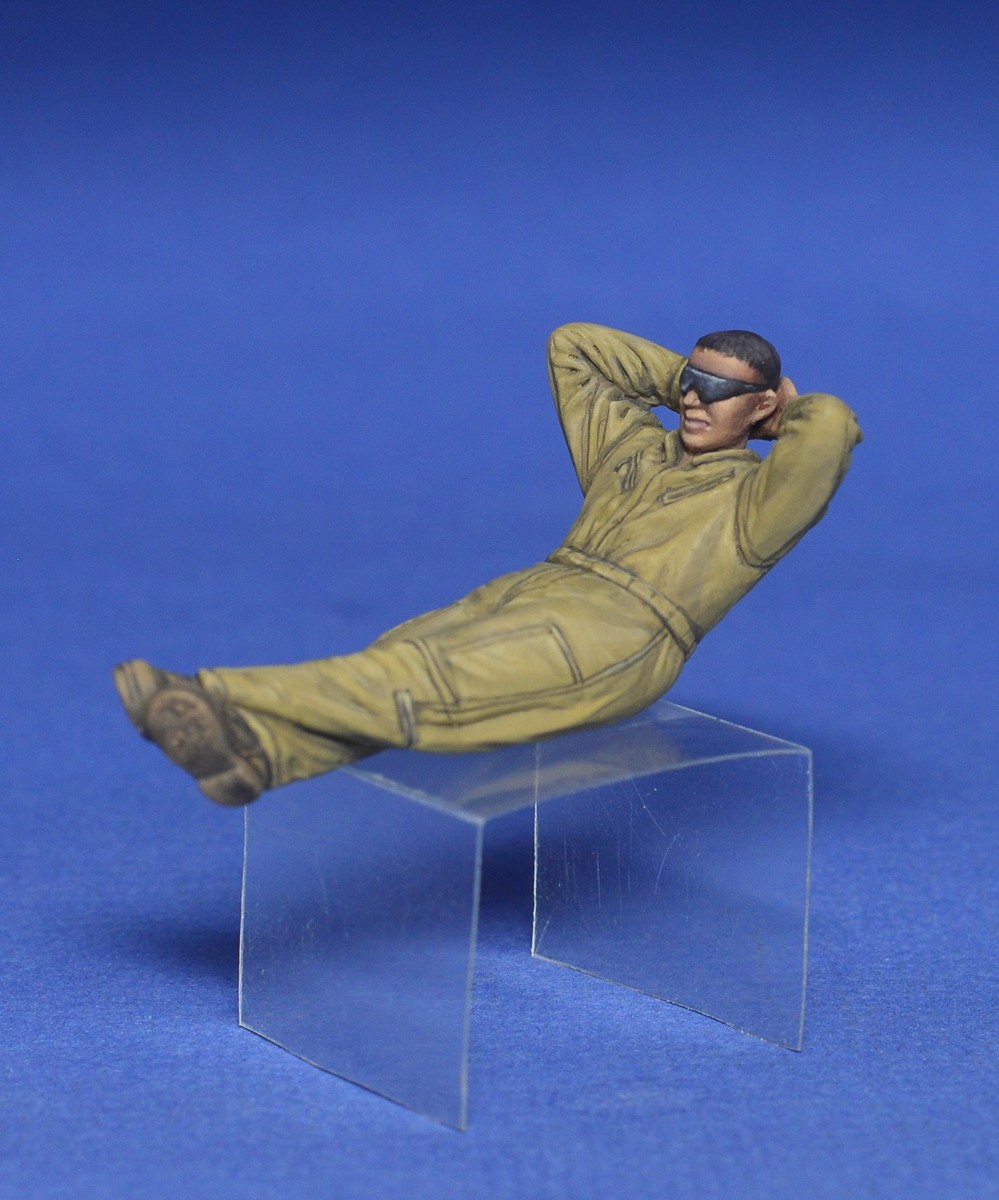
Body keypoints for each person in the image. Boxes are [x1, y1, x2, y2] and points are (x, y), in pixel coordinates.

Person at [114, 322, 861, 806]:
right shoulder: (633, 451)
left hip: (619, 630)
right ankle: (261, 757)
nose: (696, 401)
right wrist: (686, 380)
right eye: (691, 384)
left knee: (422, 681)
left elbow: (829, 426)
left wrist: (782, 411)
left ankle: (207, 692)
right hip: (538, 584)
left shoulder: (757, 505)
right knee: (403, 655)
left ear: (760, 408)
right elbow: (575, 348)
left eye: (721, 393)